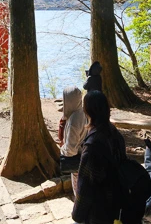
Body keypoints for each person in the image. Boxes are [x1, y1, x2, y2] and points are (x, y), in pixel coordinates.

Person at [71, 90, 127, 224]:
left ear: (88, 111)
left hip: (99, 209)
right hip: (117, 201)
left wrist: (77, 215)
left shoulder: (93, 145)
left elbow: (85, 184)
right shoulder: (115, 133)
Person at [60, 86, 87, 197]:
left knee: (79, 192)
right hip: (85, 156)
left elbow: (71, 149)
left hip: (78, 159)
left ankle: (79, 212)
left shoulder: (73, 121)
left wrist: (62, 149)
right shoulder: (83, 112)